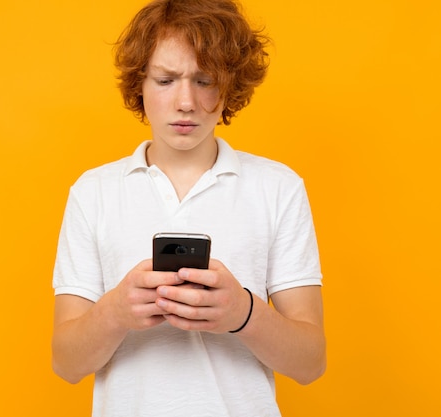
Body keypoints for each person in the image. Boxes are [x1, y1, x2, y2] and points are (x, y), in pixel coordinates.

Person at [51, 0, 326, 415]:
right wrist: (115, 312)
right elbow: (66, 364)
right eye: (165, 80)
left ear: (230, 84)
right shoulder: (93, 192)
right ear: (139, 85)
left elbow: (311, 363)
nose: (185, 102)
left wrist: (242, 312)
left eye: (205, 80)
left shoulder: (279, 188)